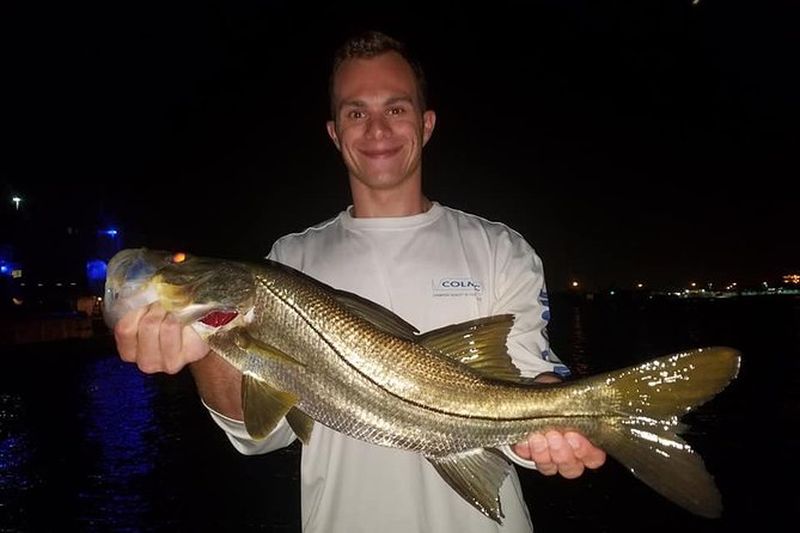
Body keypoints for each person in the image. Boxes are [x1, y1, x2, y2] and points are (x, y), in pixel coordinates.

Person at [114, 30, 606, 532]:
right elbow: (259, 435)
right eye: (355, 112)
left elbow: (530, 378)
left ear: (426, 123)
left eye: (395, 109)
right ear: (334, 132)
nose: (376, 129)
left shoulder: (501, 249)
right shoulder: (290, 259)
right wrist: (208, 347)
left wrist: (557, 423)